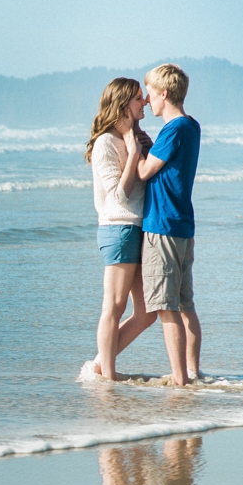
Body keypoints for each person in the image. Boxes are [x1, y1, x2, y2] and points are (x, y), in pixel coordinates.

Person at [86, 78, 157, 380]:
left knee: (146, 314)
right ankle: (108, 377)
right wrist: (130, 147)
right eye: (139, 99)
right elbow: (119, 194)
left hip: (138, 228)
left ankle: (101, 366)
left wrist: (142, 144)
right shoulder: (105, 143)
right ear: (123, 104)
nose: (145, 103)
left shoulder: (138, 138)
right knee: (113, 307)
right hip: (118, 228)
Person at [136, 64, 202, 385]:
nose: (147, 101)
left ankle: (180, 380)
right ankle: (192, 371)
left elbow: (145, 172)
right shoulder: (192, 126)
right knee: (186, 304)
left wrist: (134, 146)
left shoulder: (172, 129)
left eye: (149, 93)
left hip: (162, 226)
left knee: (166, 308)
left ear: (164, 94)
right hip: (183, 226)